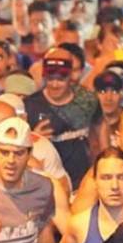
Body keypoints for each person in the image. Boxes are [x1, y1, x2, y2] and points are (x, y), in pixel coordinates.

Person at [24, 48, 101, 188]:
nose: (54, 84)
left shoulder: (87, 100)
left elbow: (101, 137)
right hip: (47, 184)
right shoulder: (30, 105)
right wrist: (35, 139)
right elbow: (20, 149)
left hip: (84, 182)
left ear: (71, 75)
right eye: (50, 78)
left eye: (61, 79)